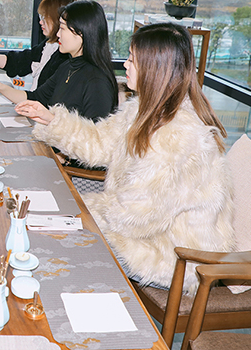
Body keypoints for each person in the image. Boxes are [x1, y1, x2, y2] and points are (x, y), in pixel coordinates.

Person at [15, 22, 234, 293]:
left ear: (154, 69)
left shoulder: (177, 135)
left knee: (59, 240)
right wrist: (51, 119)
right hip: (142, 232)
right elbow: (98, 143)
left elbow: (135, 216)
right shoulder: (144, 110)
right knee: (51, 225)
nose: (125, 65)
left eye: (132, 59)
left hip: (169, 256)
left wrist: (77, 208)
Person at [0, 0, 118, 123]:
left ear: (81, 33)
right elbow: (35, 98)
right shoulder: (66, 67)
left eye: (62, 28)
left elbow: (94, 137)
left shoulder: (97, 81)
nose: (58, 34)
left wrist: (51, 121)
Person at [0, 0, 76, 91]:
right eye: (40, 17)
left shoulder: (63, 57)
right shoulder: (48, 46)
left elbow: (42, 97)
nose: (40, 22)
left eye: (45, 17)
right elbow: (18, 62)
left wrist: (0, 87)